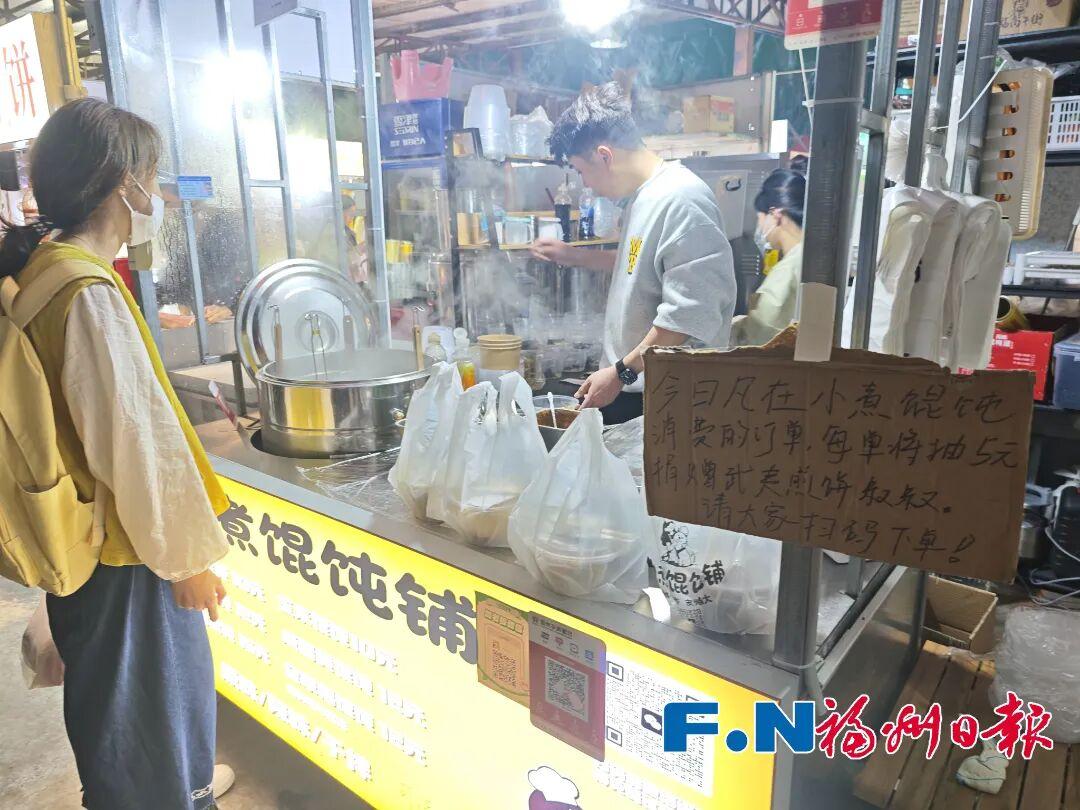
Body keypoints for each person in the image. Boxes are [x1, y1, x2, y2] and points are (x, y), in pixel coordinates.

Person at [0, 99, 233, 808]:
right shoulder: (87, 291)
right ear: (118, 183)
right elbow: (134, 444)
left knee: (119, 716)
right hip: (127, 557)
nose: (156, 195)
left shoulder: (48, 269)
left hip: (89, 545)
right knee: (147, 724)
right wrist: (188, 561)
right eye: (152, 177)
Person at [531, 83, 735, 424]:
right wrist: (575, 256)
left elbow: (689, 315)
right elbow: (641, 268)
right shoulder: (644, 198)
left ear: (604, 156)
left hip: (666, 399)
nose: (586, 184)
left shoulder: (681, 199)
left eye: (581, 172)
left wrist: (621, 372)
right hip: (637, 388)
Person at [731, 168, 805, 347]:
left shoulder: (788, 270)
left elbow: (762, 337)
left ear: (775, 214)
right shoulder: (808, 254)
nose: (760, 227)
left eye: (760, 218)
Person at [342, 192, 370, 286]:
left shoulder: (348, 231)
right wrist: (358, 250)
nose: (352, 217)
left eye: (353, 214)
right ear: (340, 212)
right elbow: (338, 259)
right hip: (344, 281)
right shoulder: (331, 232)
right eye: (350, 213)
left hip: (353, 280)